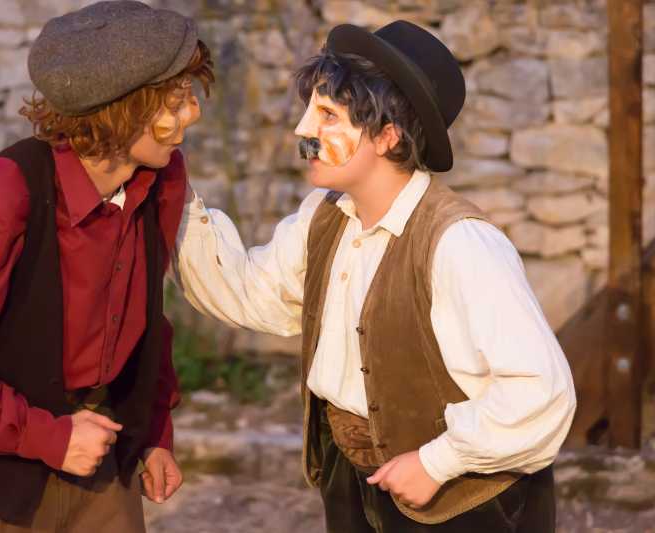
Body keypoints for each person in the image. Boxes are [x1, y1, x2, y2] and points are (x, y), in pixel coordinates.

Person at [173, 20, 576, 532]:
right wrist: (173, 198)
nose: (302, 131)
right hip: (351, 477)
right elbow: (252, 292)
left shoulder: (460, 244)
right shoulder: (325, 216)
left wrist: (437, 462)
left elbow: (542, 392)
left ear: (388, 136)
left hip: (462, 501)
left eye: (328, 115)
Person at [0, 2, 213, 531]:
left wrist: (155, 431)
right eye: (175, 100)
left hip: (102, 466)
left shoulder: (160, 180)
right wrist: (49, 437)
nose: (193, 113)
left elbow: (143, 316)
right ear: (121, 109)